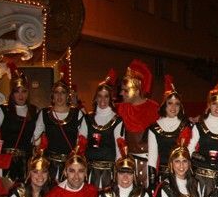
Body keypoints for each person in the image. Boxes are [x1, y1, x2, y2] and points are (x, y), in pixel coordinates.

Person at [0, 62, 38, 185]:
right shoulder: (3, 110)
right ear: (12, 93)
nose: (21, 95)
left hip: (27, 162)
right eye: (17, 91)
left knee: (25, 191)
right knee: (8, 192)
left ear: (28, 92)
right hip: (7, 161)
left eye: (24, 91)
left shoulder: (34, 111)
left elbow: (36, 138)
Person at [32, 66, 84, 182]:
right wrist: (38, 150)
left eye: (63, 93)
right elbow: (35, 136)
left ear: (67, 95)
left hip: (70, 165)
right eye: (56, 92)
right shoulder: (45, 113)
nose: (59, 96)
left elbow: (83, 138)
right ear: (52, 95)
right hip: (50, 164)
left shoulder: (77, 113)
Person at [188, 72, 218, 197]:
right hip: (200, 178)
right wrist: (197, 157)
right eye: (214, 104)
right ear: (209, 105)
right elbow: (189, 150)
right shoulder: (199, 126)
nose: (217, 108)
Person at [117, 59, 159, 187]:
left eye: (125, 90)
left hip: (148, 164)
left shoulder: (153, 108)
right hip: (128, 165)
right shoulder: (121, 108)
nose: (121, 93)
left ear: (135, 91)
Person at [80, 69, 124, 188]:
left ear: (110, 98)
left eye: (106, 96)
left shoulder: (117, 120)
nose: (102, 100)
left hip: (109, 171)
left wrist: (118, 171)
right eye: (99, 96)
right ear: (95, 98)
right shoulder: (88, 118)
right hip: (90, 170)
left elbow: (119, 147)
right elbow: (81, 143)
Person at [147, 75, 190, 186]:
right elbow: (152, 158)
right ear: (164, 105)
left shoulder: (186, 125)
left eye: (177, 104)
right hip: (163, 177)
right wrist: (152, 184)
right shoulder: (154, 128)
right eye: (170, 103)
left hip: (183, 176)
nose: (173, 107)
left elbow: (189, 153)